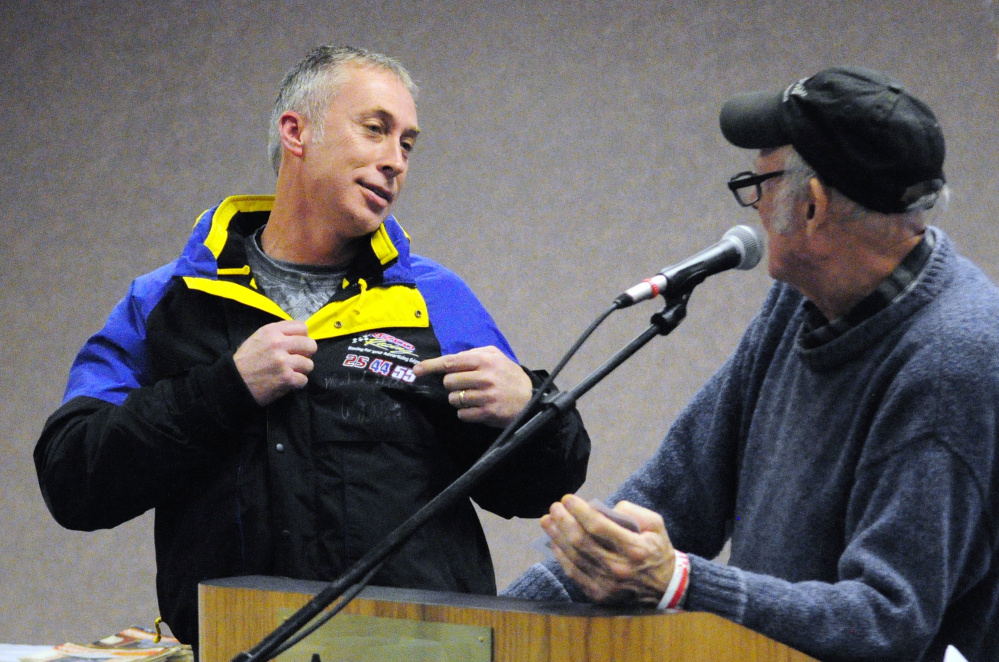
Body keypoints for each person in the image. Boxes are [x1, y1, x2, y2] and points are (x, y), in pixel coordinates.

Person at [34, 45, 590, 645]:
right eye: (375, 130)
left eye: (406, 144)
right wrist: (222, 391)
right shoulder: (166, 301)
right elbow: (72, 478)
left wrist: (531, 406)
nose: (395, 161)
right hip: (241, 648)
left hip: (419, 655)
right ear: (296, 132)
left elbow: (533, 489)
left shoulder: (434, 298)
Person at [504, 66, 999, 662]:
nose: (755, 206)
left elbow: (886, 621)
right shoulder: (798, 304)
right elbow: (673, 494)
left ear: (812, 208)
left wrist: (684, 584)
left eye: (756, 183)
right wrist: (499, 627)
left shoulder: (953, 359)